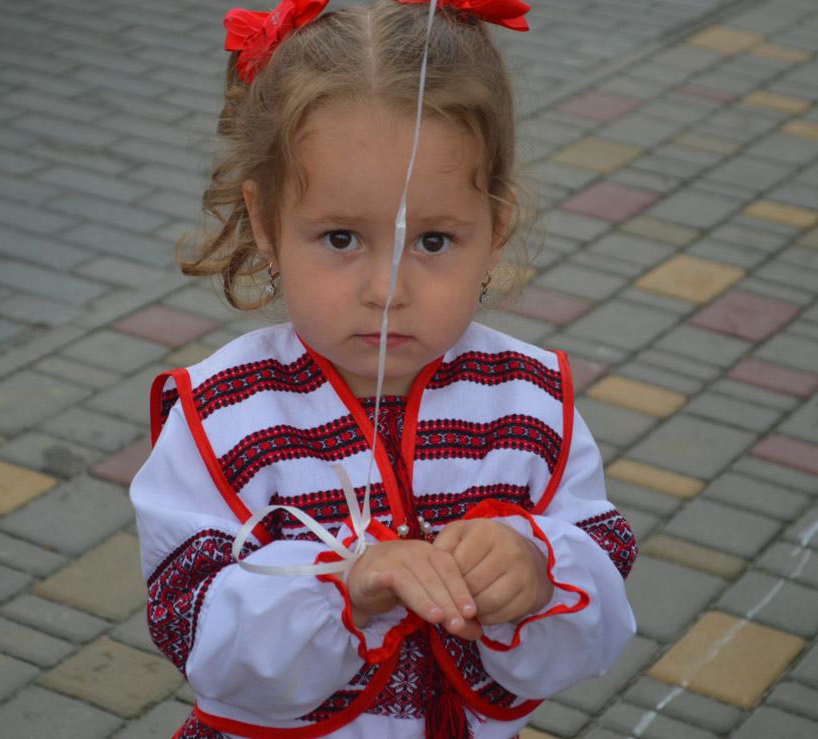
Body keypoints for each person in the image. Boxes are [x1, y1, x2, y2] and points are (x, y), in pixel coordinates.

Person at [129, 1, 638, 737]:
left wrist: (536, 569)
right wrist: (343, 584)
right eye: (340, 236)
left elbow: (600, 577)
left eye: (433, 240)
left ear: (495, 231)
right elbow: (192, 626)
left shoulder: (528, 402)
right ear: (267, 223)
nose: (387, 288)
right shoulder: (223, 414)